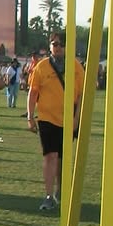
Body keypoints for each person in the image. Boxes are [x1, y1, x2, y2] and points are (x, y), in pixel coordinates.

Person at [27, 33, 84, 212]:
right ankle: (48, 195)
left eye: (61, 44)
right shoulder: (42, 66)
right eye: (55, 44)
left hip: (68, 119)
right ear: (50, 46)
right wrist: (30, 116)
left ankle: (61, 189)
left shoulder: (76, 67)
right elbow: (33, 92)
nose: (58, 47)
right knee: (50, 156)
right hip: (47, 118)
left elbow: (81, 95)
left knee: (62, 158)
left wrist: (76, 118)